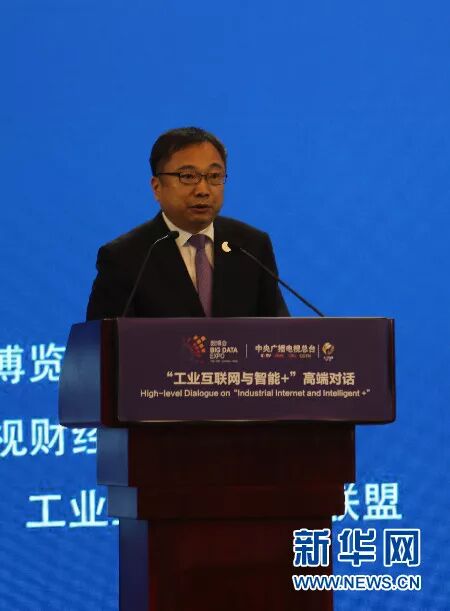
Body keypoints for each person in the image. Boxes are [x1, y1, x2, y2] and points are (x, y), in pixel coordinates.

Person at [86, 127, 288, 320]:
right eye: (188, 176)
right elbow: (104, 340)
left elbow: (281, 332)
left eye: (214, 176)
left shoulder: (251, 246)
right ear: (157, 187)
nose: (203, 190)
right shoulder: (125, 257)